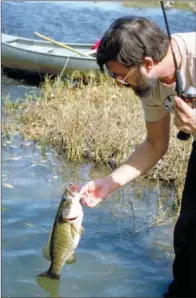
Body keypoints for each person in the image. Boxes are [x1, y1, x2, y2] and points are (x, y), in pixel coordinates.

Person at [80, 16, 196, 297]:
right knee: (189, 232)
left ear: (146, 63)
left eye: (121, 76)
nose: (120, 84)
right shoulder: (151, 81)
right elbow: (155, 144)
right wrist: (109, 183)